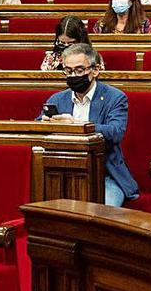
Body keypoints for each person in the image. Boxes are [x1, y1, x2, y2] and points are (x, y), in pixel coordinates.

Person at [38, 43, 139, 207]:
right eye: (68, 71)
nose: (73, 76)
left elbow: (115, 132)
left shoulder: (115, 98)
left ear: (95, 70)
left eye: (79, 70)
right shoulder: (57, 99)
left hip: (105, 174)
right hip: (61, 173)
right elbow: (37, 129)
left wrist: (76, 125)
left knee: (104, 216)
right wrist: (45, 124)